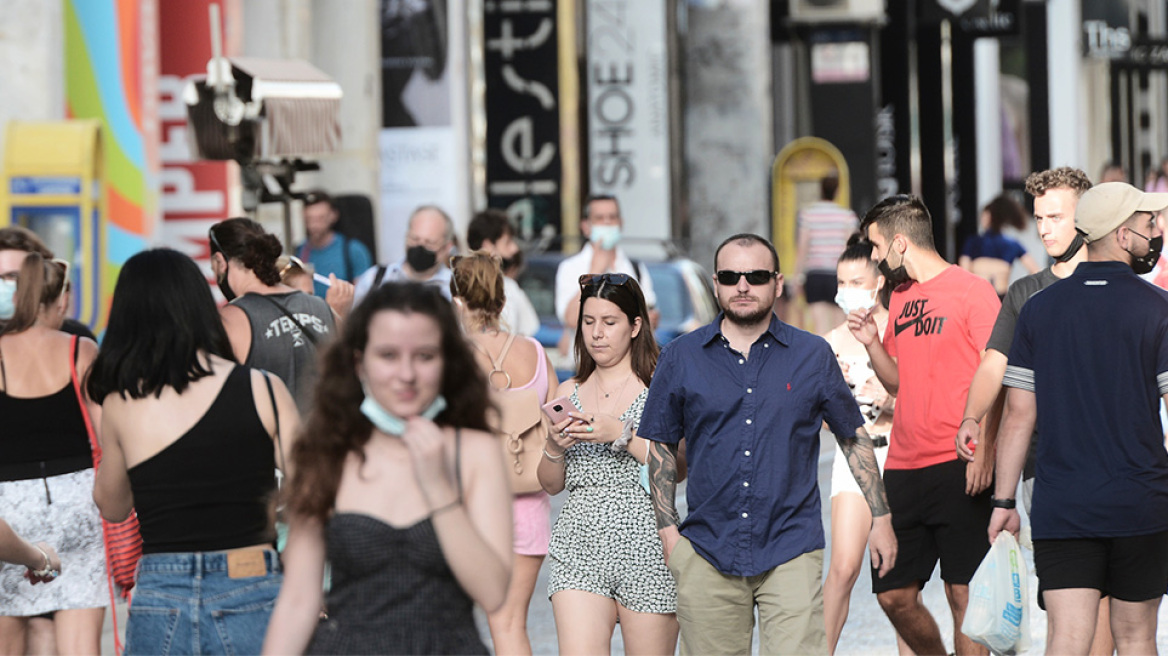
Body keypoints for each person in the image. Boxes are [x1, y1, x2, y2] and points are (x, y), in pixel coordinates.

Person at [641, 233, 896, 655]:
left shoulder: (813, 355)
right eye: (731, 276)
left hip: (791, 546)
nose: (743, 286)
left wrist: (881, 518)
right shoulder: (681, 356)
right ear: (716, 283)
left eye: (756, 276)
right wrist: (669, 532)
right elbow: (661, 448)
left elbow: (852, 438)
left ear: (778, 284)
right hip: (707, 548)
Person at [263, 282, 512, 654]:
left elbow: (493, 592)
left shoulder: (475, 451)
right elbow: (298, 600)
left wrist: (440, 491)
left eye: (425, 356)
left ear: (447, 362)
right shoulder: (328, 452)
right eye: (388, 355)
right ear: (359, 363)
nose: (406, 374)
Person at [87, 248, 297, 655]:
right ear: (201, 306)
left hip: (161, 589)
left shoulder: (120, 403)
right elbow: (313, 487)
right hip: (251, 573)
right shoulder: (262, 388)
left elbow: (111, 507)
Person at [990, 182, 1168, 654]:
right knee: (1136, 638)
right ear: (1123, 235)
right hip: (1141, 502)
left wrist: (1003, 502)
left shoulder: (1039, 310)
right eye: (1149, 225)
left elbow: (1017, 416)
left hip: (1062, 505)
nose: (1157, 233)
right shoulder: (1159, 310)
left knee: (1067, 639)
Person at [849, 196, 1000, 656]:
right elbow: (898, 382)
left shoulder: (974, 290)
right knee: (893, 594)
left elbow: (997, 373)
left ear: (899, 242)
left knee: (963, 596)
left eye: (875, 248)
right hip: (904, 466)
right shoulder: (900, 297)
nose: (874, 259)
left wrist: (987, 450)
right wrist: (874, 345)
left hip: (958, 462)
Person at [540, 271, 678, 655]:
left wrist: (623, 434)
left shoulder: (659, 390)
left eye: (609, 322)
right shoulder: (568, 393)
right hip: (578, 547)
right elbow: (551, 484)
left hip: (648, 543)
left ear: (636, 326)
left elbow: (677, 469)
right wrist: (553, 445)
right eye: (589, 322)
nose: (597, 333)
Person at [0, 252, 106, 656]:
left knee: (7, 631)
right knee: (80, 640)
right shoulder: (80, 350)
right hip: (76, 498)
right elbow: (106, 434)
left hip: (9, 510)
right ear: (61, 299)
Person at [450, 252, 556, 655]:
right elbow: (557, 417)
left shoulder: (453, 359)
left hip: (472, 507)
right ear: (502, 298)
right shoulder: (535, 352)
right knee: (510, 624)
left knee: (457, 622)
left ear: (458, 301)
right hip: (530, 506)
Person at [821, 235, 909, 656]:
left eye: (856, 280)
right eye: (841, 281)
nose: (846, 290)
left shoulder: (902, 327)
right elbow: (819, 423)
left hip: (900, 453)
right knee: (843, 568)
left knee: (901, 580)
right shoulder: (830, 342)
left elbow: (927, 400)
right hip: (852, 456)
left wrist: (890, 397)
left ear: (877, 283)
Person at [210, 218, 337, 409]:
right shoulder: (321, 307)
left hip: (268, 435)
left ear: (220, 262)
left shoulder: (231, 319)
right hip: (323, 435)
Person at [554, 195, 657, 334]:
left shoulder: (635, 267)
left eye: (612, 217)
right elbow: (571, 319)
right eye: (599, 218)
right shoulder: (570, 268)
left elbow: (649, 312)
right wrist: (594, 272)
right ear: (585, 227)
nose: (607, 222)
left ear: (621, 223)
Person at [796, 173, 860, 334]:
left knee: (819, 327)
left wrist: (797, 277)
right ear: (837, 191)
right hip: (839, 276)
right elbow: (850, 248)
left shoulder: (807, 214)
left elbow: (802, 246)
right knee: (840, 328)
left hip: (814, 275)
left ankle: (821, 359)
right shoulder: (847, 216)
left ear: (820, 190)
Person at [353, 205, 456, 304]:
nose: (420, 246)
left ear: (447, 247)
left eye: (429, 243)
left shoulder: (456, 289)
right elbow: (354, 320)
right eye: (414, 239)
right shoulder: (376, 278)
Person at [467, 209, 540, 337]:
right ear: (487, 246)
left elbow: (528, 334)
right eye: (507, 242)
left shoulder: (511, 287)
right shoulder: (460, 291)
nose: (514, 249)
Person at [958, 194, 1040, 297]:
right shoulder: (1012, 244)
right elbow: (1035, 271)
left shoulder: (973, 242)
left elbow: (963, 272)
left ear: (989, 216)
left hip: (977, 298)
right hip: (1002, 300)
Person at [297, 190, 374, 297]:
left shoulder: (353, 250)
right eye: (309, 219)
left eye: (320, 218)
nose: (314, 225)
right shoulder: (300, 252)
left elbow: (363, 294)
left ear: (333, 216)